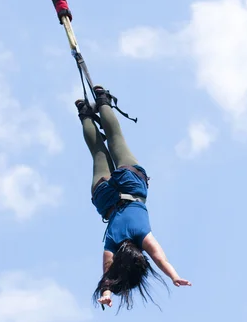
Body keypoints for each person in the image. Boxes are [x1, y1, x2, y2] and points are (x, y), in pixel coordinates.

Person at [75, 86, 191, 310]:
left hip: (132, 187)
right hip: (105, 198)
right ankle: (83, 112)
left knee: (116, 139)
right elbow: (107, 275)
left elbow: (160, 259)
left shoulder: (143, 237)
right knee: (98, 151)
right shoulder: (111, 245)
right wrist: (106, 292)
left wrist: (174, 276)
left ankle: (103, 99)